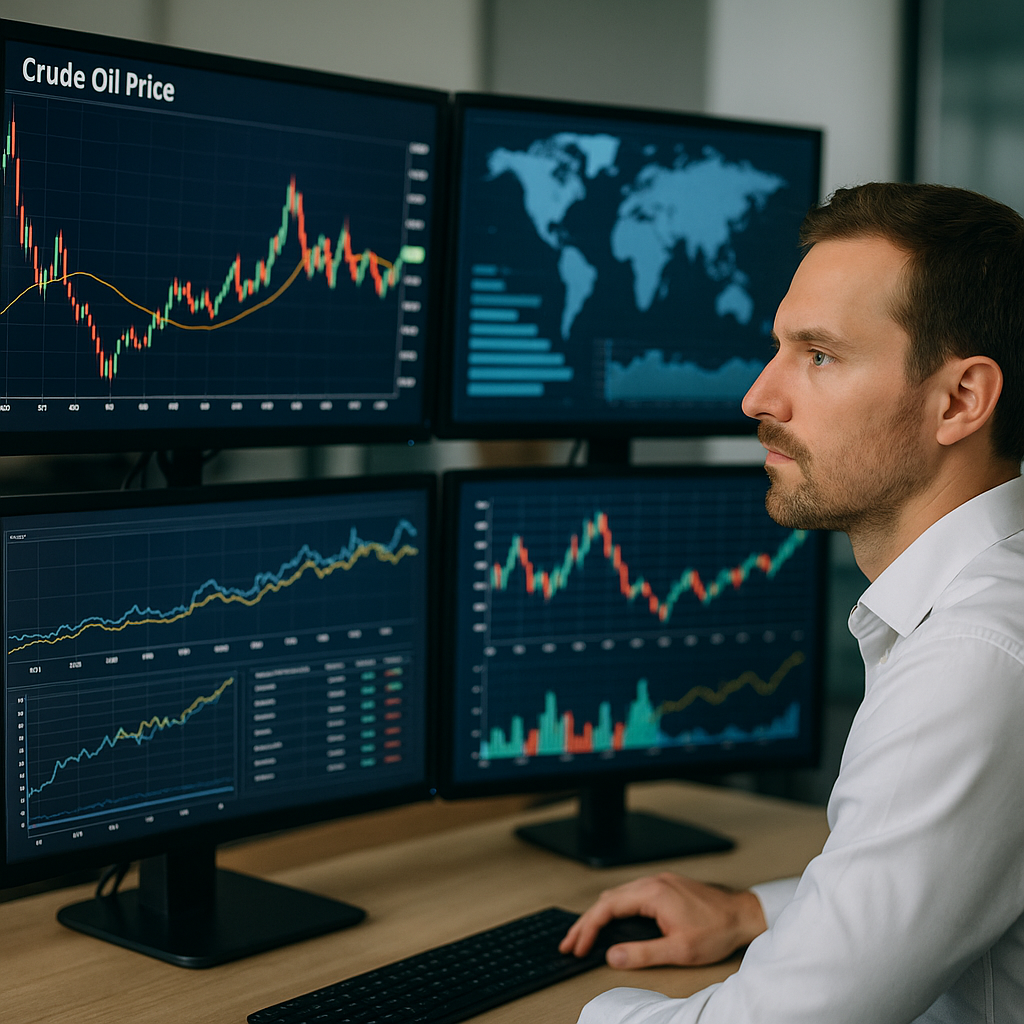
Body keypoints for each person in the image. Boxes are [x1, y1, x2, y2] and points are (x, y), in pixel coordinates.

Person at [559, 182, 1024, 1023]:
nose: (759, 398)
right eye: (779, 348)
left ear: (960, 400)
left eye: (819, 356)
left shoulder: (973, 660)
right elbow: (948, 866)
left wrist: (581, 1012)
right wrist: (755, 911)